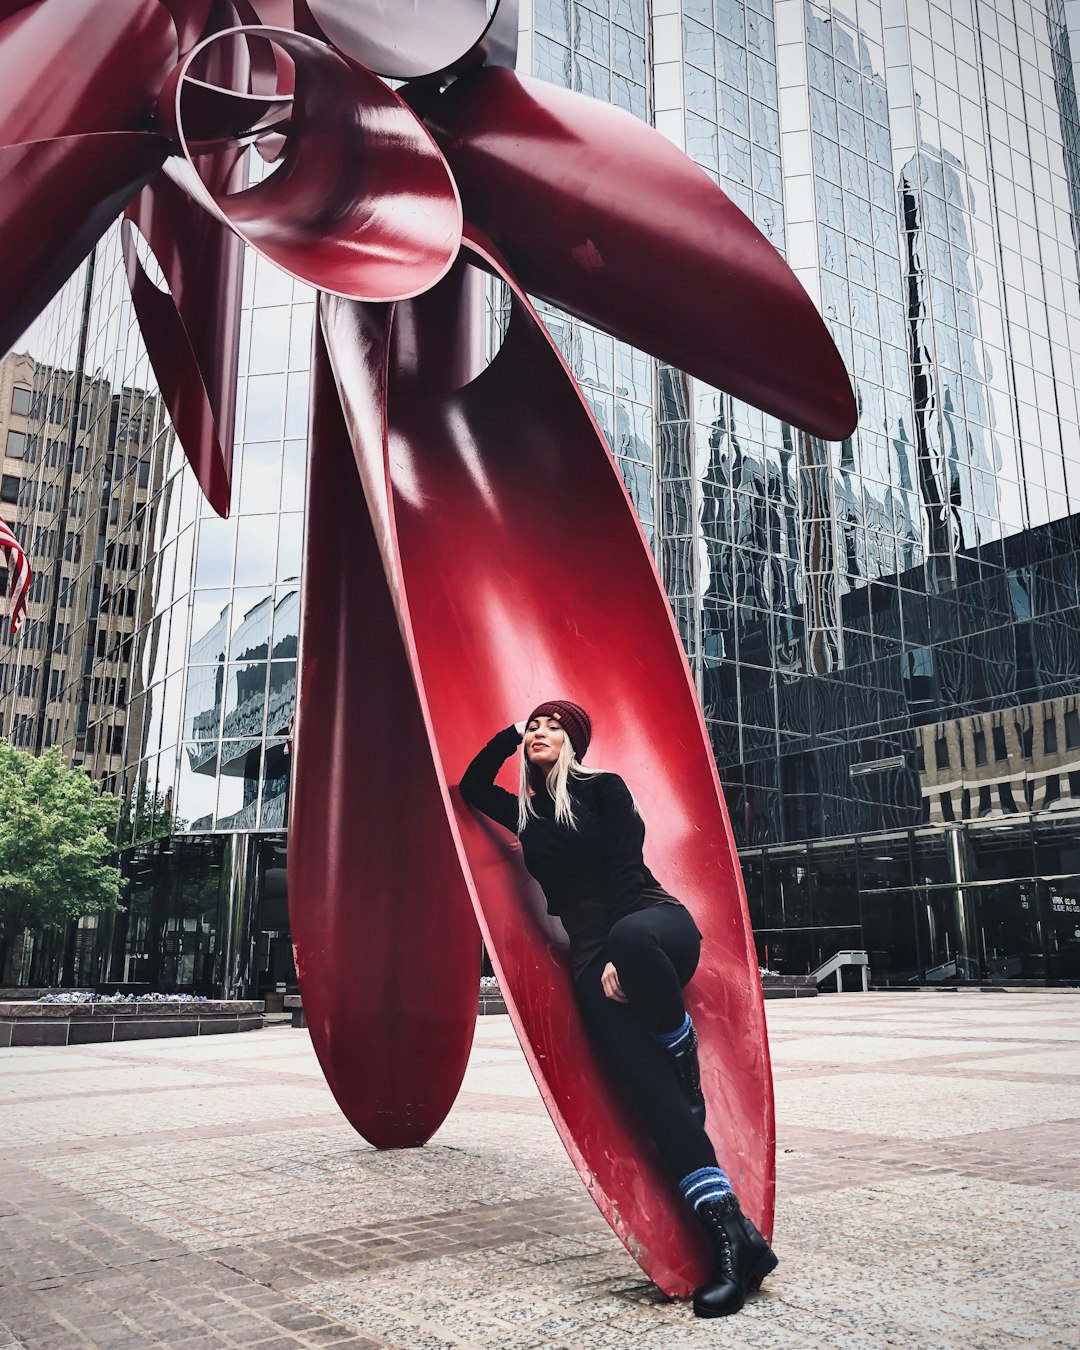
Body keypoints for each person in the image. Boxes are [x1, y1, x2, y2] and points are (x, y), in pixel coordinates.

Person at [460, 698, 777, 1317]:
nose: (541, 732)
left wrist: (617, 949)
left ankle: (680, 1045)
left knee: (631, 943)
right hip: (588, 961)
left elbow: (626, 866)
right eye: (536, 726)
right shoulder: (525, 814)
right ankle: (733, 1240)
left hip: (654, 929)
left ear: (575, 742)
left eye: (555, 726)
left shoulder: (604, 789)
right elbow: (472, 787)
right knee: (656, 1103)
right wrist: (507, 734)